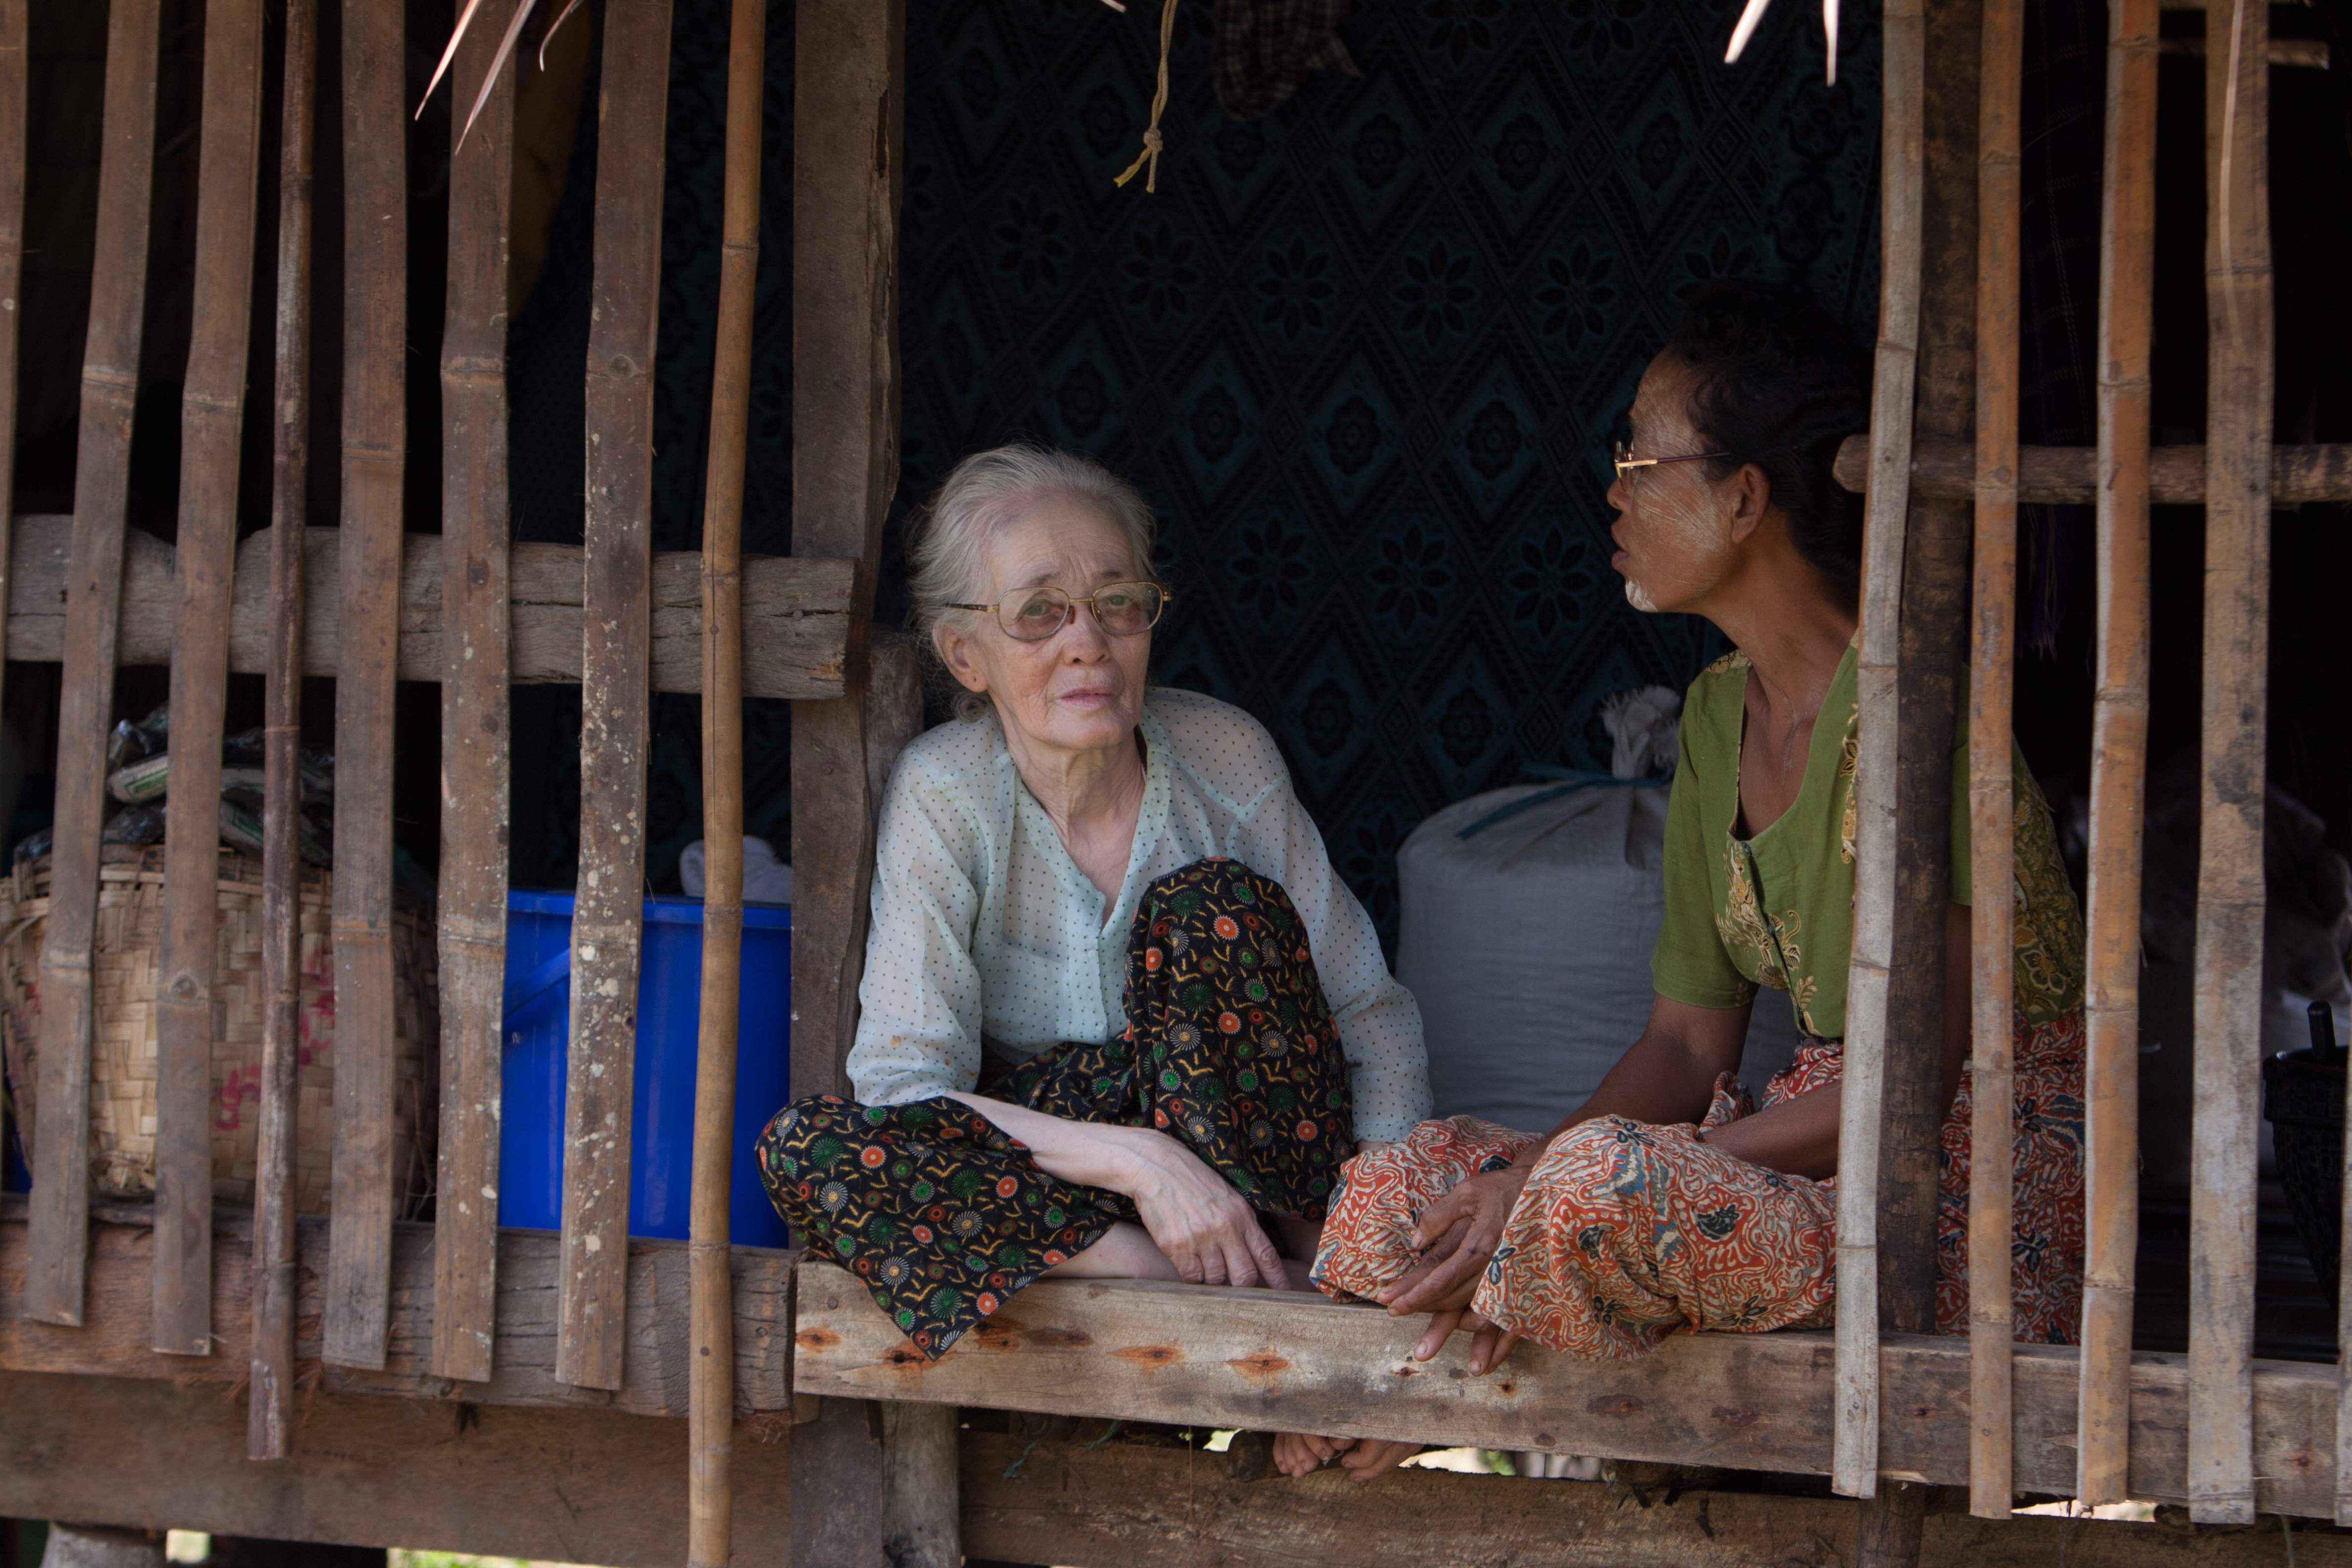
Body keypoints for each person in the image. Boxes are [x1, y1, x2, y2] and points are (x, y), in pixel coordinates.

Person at [1276, 278, 2087, 1480]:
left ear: (1745, 495)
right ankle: (1396, 1403)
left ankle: (1409, 1404)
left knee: (1592, 1182)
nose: (1614, 492)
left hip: (1949, 1212)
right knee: (1414, 1177)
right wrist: (1516, 1178)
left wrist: (1558, 1181)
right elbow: (1681, 1047)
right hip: (1793, 1164)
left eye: (1637, 460)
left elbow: (1914, 1092)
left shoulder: (1923, 709)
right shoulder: (1716, 717)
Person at [757, 444, 1430, 1358]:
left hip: (1278, 1182)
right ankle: (1172, 1277)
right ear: (966, 654)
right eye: (1038, 612)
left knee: (1213, 910)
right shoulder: (947, 793)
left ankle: (1307, 1283)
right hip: (1075, 1183)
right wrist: (1138, 1162)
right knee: (808, 1149)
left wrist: (1369, 1252)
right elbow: (908, 1088)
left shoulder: (1224, 757)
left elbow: (1371, 1018)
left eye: (1119, 602)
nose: (1089, 641)